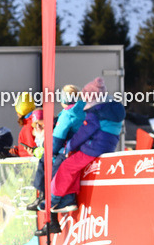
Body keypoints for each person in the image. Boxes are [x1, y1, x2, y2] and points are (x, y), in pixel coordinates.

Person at [36, 77, 124, 235]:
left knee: (66, 166)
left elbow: (83, 133)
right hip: (108, 144)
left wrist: (70, 146)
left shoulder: (93, 113)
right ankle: (66, 198)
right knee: (73, 165)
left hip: (94, 146)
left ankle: (53, 199)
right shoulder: (110, 109)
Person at [27, 85, 83, 212]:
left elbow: (58, 137)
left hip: (69, 149)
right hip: (83, 148)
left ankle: (50, 198)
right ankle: (63, 199)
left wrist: (49, 150)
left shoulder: (68, 114)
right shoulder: (85, 110)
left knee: (52, 168)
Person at [9, 92, 38, 157]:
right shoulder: (35, 121)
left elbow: (31, 150)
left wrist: (20, 151)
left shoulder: (28, 126)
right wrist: (18, 150)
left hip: (30, 162)